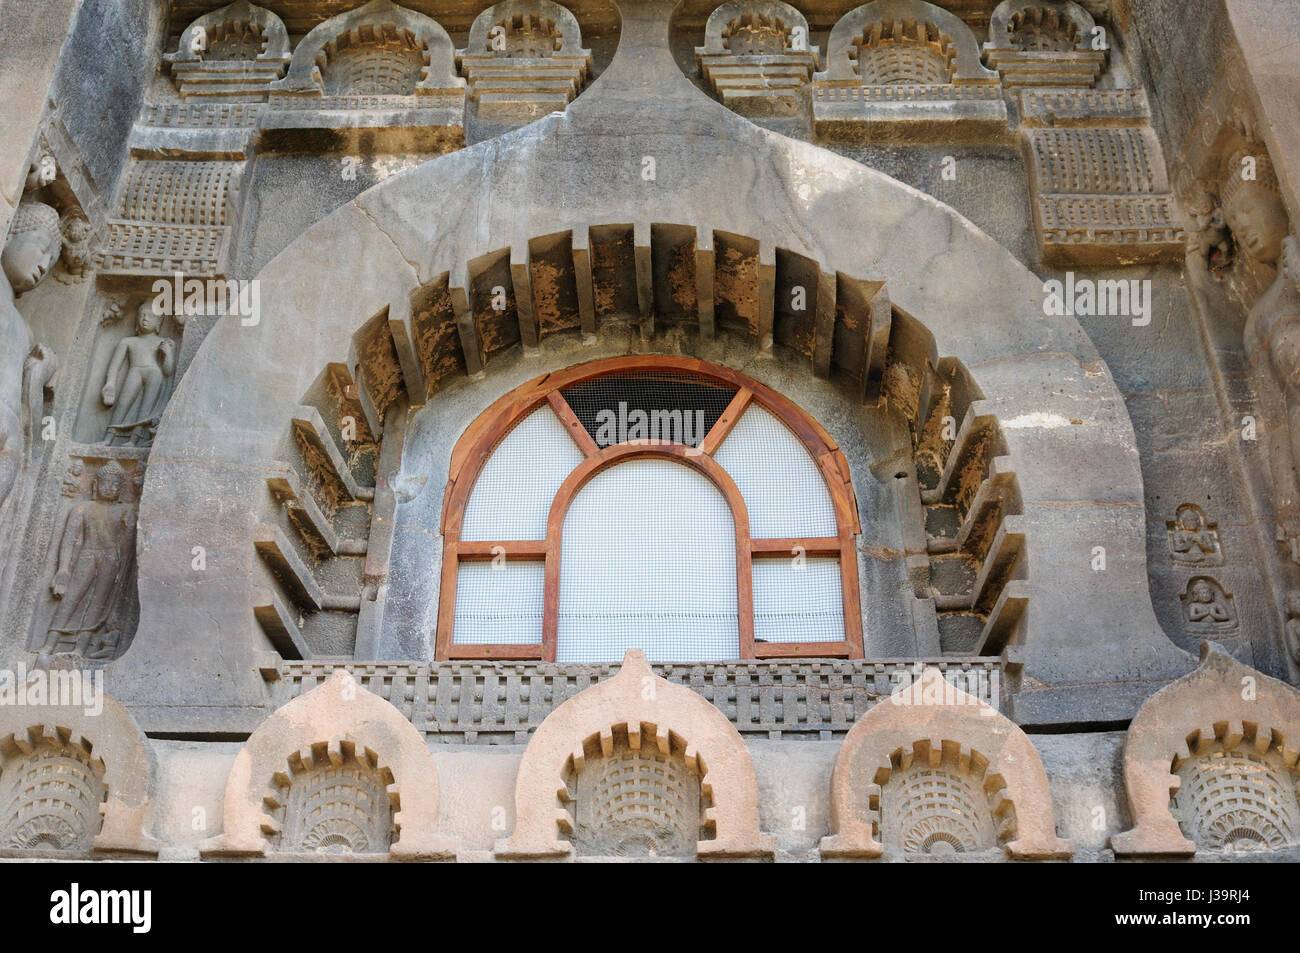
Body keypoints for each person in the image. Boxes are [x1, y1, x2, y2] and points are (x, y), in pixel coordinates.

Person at [38, 459, 134, 661]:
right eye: (106, 482)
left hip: (111, 559)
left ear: (122, 488)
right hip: (86, 555)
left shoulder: (125, 511)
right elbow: (69, 542)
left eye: (115, 483)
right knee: (71, 597)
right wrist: (63, 570)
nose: (110, 487)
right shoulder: (82, 508)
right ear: (95, 484)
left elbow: (125, 549)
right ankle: (49, 644)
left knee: (98, 602)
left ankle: (81, 649)